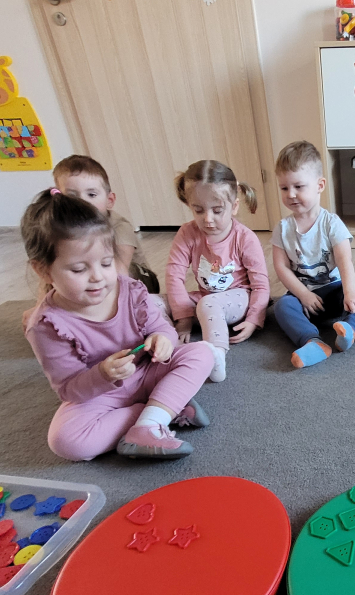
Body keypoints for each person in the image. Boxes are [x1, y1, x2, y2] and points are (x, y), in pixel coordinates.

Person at [21, 188, 214, 461]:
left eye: (106, 263)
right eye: (79, 269)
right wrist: (104, 374)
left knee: (202, 353)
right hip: (102, 395)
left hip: (148, 371)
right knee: (66, 441)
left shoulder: (129, 289)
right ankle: (162, 409)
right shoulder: (46, 325)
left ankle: (151, 421)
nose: (97, 277)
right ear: (43, 270)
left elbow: (162, 328)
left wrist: (163, 339)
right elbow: (69, 389)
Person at [166, 160, 270, 383]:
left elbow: (260, 284)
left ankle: (216, 356)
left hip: (238, 299)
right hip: (204, 298)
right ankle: (164, 343)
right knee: (151, 302)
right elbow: (174, 275)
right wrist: (183, 318)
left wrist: (254, 318)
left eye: (217, 210)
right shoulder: (187, 233)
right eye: (198, 210)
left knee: (208, 304)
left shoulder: (245, 238)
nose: (208, 219)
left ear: (234, 206)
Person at [271, 140, 355, 369]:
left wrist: (350, 293)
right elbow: (281, 267)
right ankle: (312, 341)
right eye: (284, 188)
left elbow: (344, 261)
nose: (291, 194)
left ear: (320, 185)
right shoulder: (282, 228)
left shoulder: (331, 224)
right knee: (282, 306)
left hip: (335, 293)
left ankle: (351, 329)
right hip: (304, 299)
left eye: (298, 186)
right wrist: (303, 295)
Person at [52, 154, 160, 293]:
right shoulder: (60, 227)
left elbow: (121, 271)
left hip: (137, 279)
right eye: (72, 196)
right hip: (93, 275)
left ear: (110, 200)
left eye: (91, 195)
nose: (82, 203)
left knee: (121, 271)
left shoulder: (119, 226)